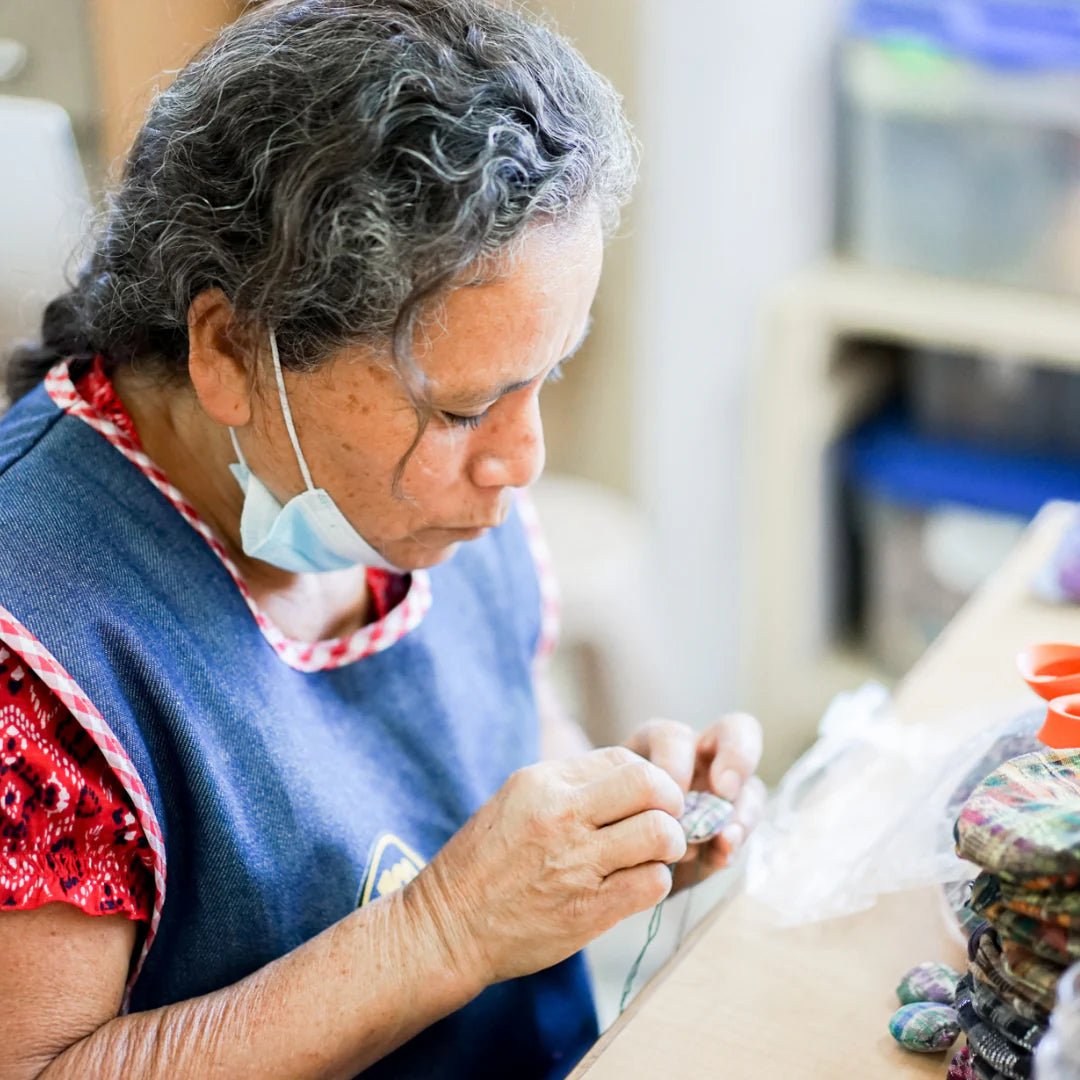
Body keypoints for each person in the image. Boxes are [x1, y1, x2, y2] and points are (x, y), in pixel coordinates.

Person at [0, 2, 765, 1077]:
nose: (521, 456)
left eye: (544, 376)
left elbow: (494, 735)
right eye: (460, 408)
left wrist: (618, 828)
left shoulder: (438, 480)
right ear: (229, 348)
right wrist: (443, 933)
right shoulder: (36, 648)